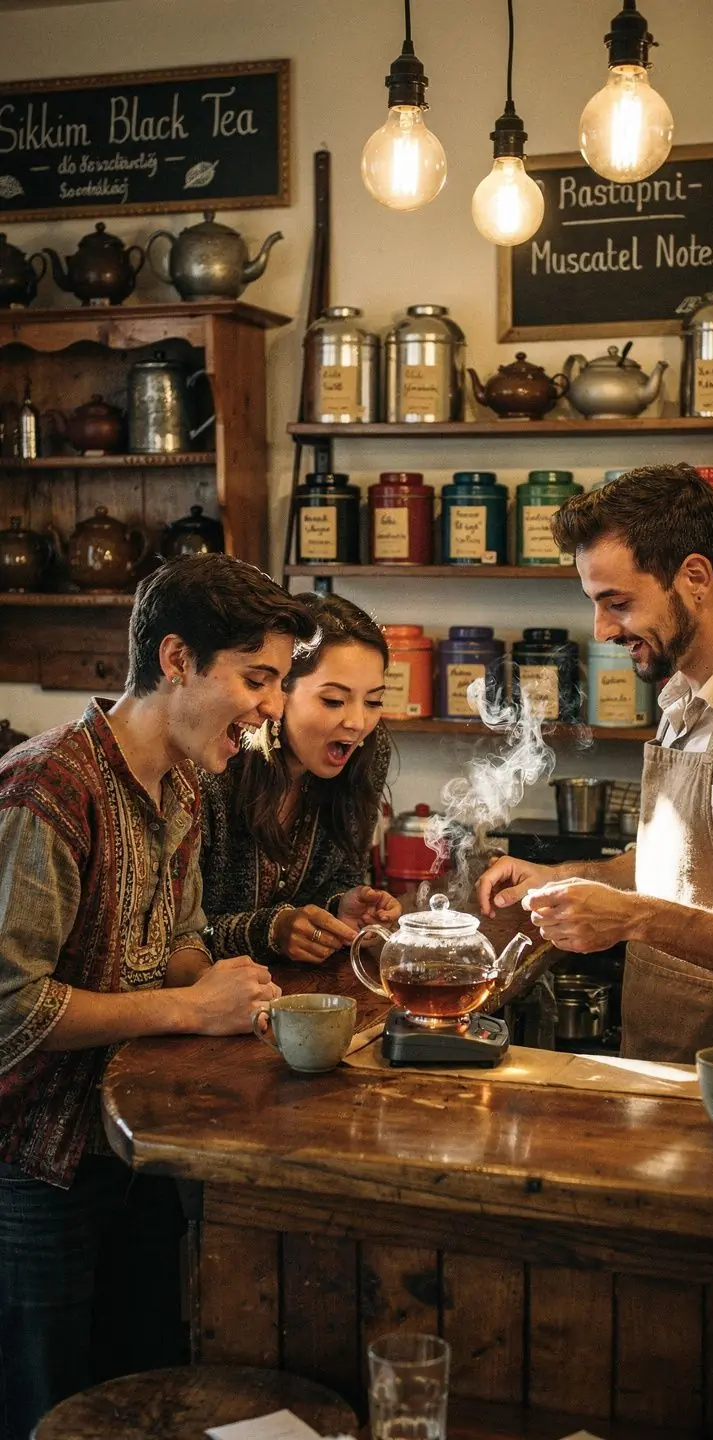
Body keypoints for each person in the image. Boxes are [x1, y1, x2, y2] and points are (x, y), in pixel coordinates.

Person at [0, 553, 316, 1440]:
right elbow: (10, 1009)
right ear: (177, 660)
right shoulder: (47, 786)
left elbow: (178, 937)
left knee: (139, 1394)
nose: (272, 706)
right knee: (46, 1410)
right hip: (34, 1165)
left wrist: (224, 990)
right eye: (257, 678)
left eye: (279, 683)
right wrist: (188, 1009)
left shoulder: (181, 785)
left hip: (132, 1149)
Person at [478, 463, 713, 1063]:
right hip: (663, 1062)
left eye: (618, 603)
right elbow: (677, 868)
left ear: (694, 577)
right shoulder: (684, 695)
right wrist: (562, 879)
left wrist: (633, 919)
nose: (602, 630)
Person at [200, 591, 400, 968]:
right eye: (333, 701)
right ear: (280, 691)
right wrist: (271, 931)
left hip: (302, 988)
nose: (358, 723)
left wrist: (341, 906)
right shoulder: (213, 765)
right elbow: (178, 936)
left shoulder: (368, 754)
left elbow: (344, 873)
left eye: (373, 701)